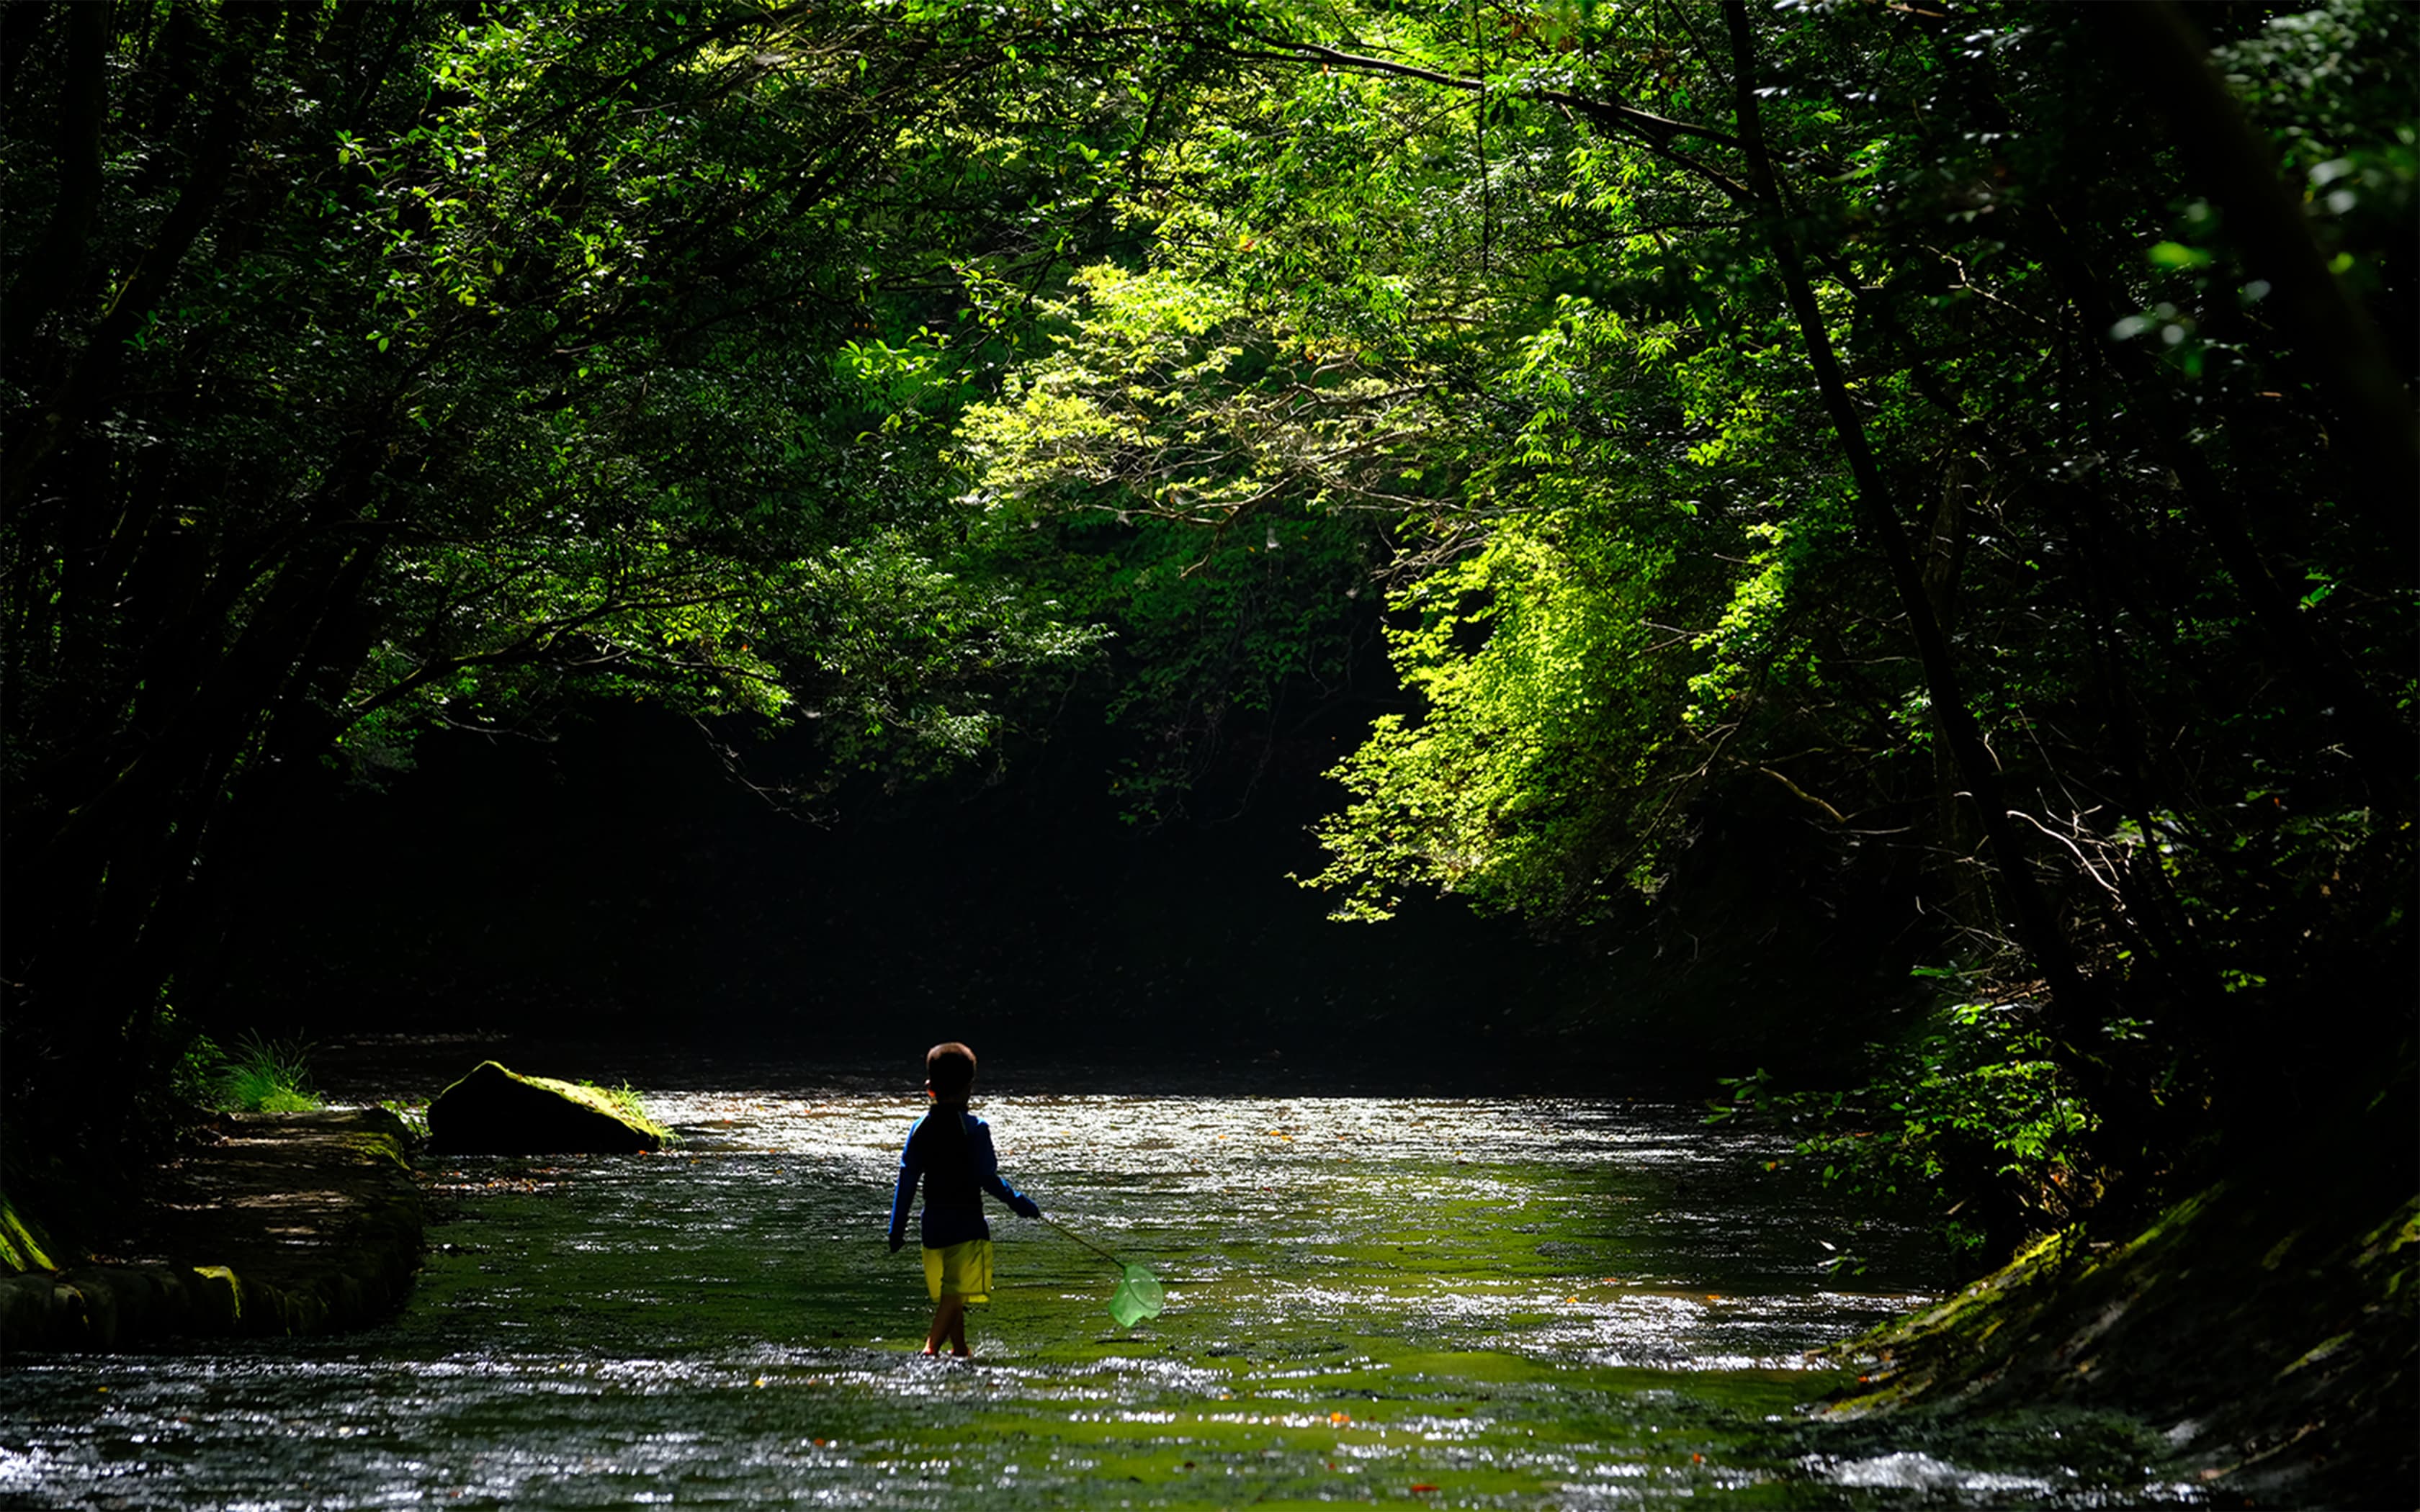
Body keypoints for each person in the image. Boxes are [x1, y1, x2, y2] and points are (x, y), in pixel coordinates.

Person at [887, 1041, 1041, 1357]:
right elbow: (986, 1178)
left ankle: (959, 1349)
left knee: (951, 1290)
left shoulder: (919, 1130)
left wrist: (896, 1228)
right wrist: (1019, 1202)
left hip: (931, 1228)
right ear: (970, 1088)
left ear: (930, 1089)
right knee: (956, 1293)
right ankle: (930, 1350)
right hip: (967, 1227)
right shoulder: (975, 1128)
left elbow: (907, 1179)